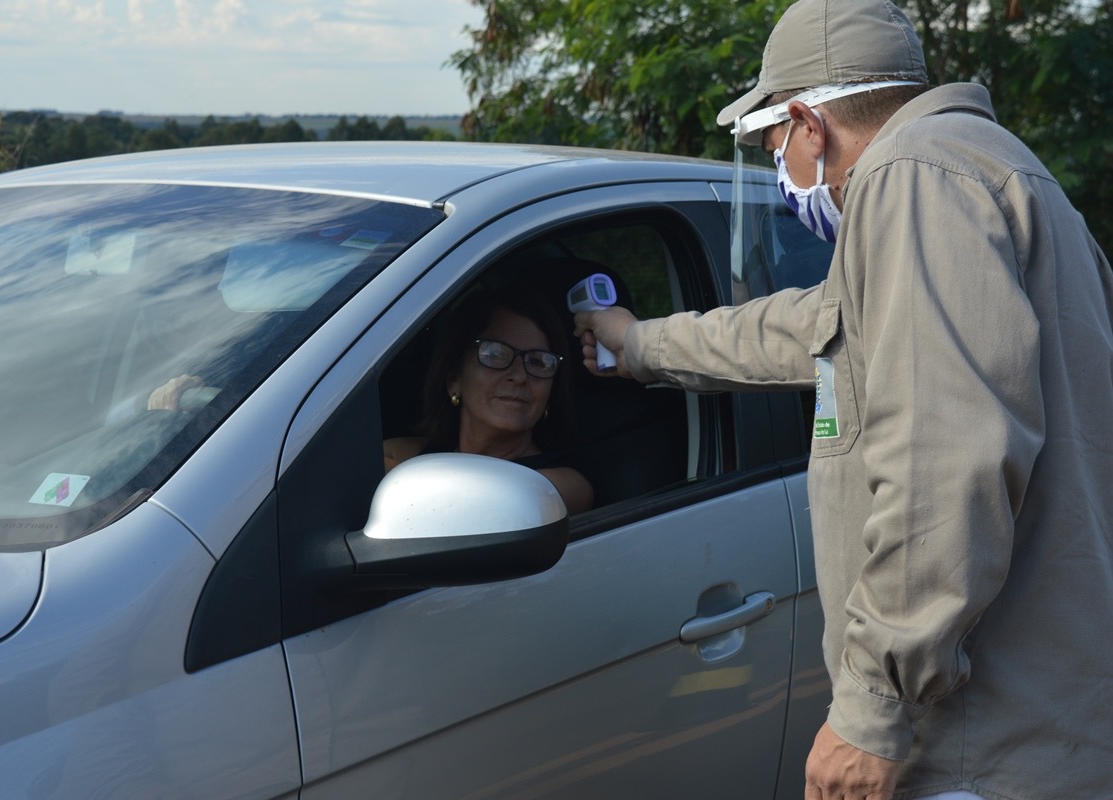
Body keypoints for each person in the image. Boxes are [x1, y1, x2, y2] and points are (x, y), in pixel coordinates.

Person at [573, 1, 1113, 798]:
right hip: (1045, 727)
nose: (780, 168)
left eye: (771, 147)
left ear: (806, 123)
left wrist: (871, 710)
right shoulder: (999, 171)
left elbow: (942, 460)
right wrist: (639, 343)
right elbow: (812, 328)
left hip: (977, 747)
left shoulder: (912, 178)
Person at [385, 285, 594, 515]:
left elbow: (467, 508)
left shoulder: (563, 486)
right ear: (454, 378)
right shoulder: (417, 454)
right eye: (495, 354)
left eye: (538, 362)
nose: (519, 376)